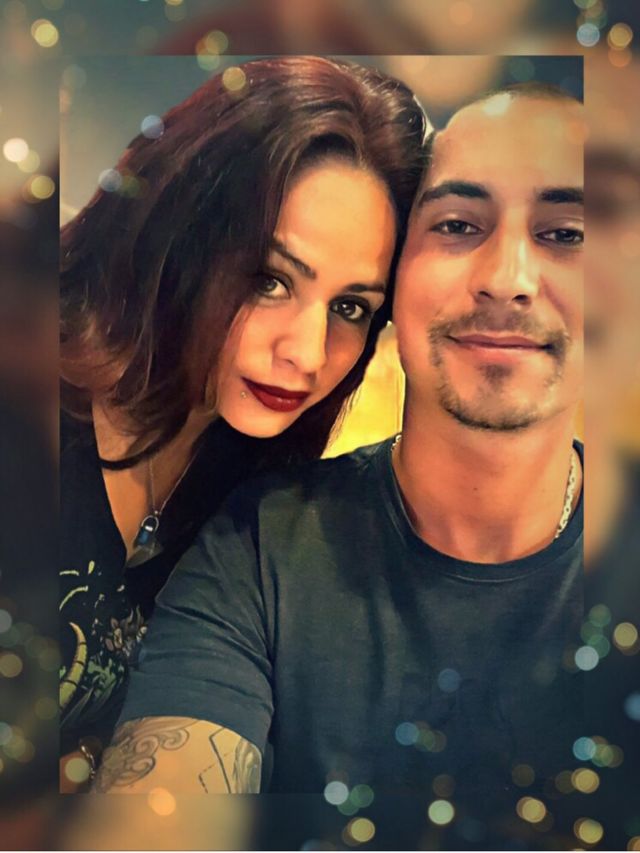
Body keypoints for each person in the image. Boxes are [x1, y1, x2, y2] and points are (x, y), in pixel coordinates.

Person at [94, 82, 584, 845]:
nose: (508, 277)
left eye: (567, 234)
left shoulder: (233, 461)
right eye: (458, 225)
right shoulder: (259, 538)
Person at [59, 55, 427, 780]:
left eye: (351, 306)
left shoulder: (253, 486)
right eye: (269, 279)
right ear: (176, 228)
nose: (308, 353)